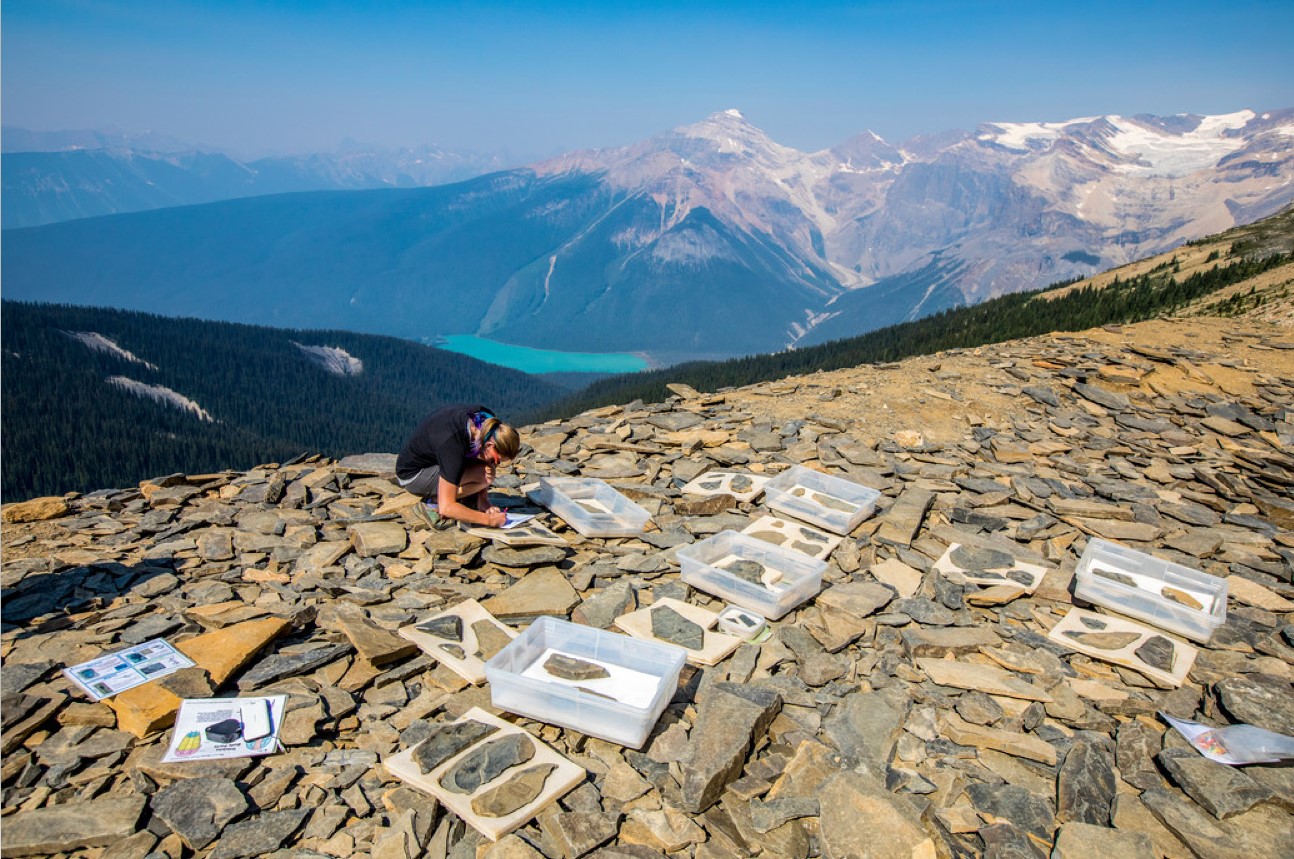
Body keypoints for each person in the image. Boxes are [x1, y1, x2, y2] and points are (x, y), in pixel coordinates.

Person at [394, 404, 521, 529]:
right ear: (489, 445)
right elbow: (446, 508)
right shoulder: (453, 445)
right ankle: (432, 502)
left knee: (488, 471)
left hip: (436, 459)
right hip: (414, 476)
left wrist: (483, 499)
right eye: (496, 459)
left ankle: (458, 496)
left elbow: (482, 460)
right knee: (485, 476)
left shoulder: (489, 424)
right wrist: (489, 520)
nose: (494, 463)